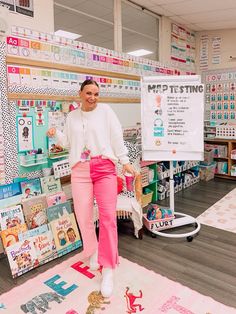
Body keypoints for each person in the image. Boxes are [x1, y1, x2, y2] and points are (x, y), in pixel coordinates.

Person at [47, 79, 136, 298]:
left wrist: (124, 161)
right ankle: (93, 250)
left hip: (104, 167)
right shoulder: (72, 116)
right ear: (80, 93)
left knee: (107, 217)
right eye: (89, 93)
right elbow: (67, 142)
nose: (93, 97)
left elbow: (116, 137)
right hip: (80, 169)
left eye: (96, 93)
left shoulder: (106, 111)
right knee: (83, 215)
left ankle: (108, 269)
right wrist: (55, 135)